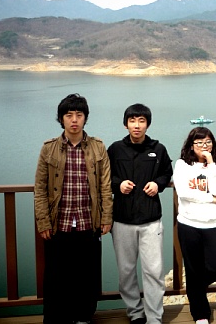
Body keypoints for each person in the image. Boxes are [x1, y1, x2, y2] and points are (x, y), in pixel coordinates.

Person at [34, 93, 113, 324]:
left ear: (85, 118)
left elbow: (105, 186)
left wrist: (106, 217)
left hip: (89, 221)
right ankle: (55, 318)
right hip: (59, 223)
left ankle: (83, 316)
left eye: (79, 114)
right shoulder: (49, 149)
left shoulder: (98, 147)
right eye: (69, 115)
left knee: (86, 274)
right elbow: (40, 188)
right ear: (61, 119)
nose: (74, 120)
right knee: (56, 274)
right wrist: (43, 221)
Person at [108, 103, 173, 324]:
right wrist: (118, 184)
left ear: (147, 124)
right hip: (122, 220)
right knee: (126, 272)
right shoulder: (115, 149)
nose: (137, 125)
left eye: (141, 121)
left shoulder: (158, 149)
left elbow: (167, 173)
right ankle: (135, 313)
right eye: (132, 121)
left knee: (154, 271)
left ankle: (154, 317)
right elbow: (105, 177)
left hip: (150, 220)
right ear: (125, 124)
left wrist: (158, 184)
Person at [173, 127, 216, 324]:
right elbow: (183, 192)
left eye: (208, 142)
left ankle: (194, 288)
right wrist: (210, 199)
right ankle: (200, 314)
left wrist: (210, 162)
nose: (204, 146)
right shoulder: (182, 165)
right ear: (191, 145)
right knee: (193, 267)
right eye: (199, 142)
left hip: (213, 224)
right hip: (189, 223)